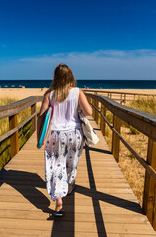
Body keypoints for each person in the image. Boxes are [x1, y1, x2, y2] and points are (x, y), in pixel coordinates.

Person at [37, 63, 92, 217]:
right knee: (71, 164)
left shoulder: (49, 95)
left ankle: (59, 200)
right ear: (70, 76)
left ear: (56, 77)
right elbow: (89, 111)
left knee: (56, 166)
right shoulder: (77, 92)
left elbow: (41, 116)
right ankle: (68, 187)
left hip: (56, 135)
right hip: (75, 134)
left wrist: (39, 139)